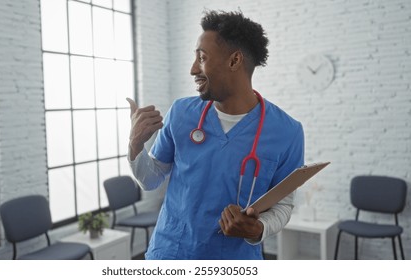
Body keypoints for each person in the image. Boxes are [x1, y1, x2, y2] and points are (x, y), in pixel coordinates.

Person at [126, 10, 304, 260]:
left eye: (202, 58)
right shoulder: (181, 113)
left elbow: (283, 205)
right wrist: (135, 146)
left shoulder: (287, 132)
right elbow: (151, 179)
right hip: (170, 254)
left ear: (234, 61)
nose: (192, 69)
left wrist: (258, 228)